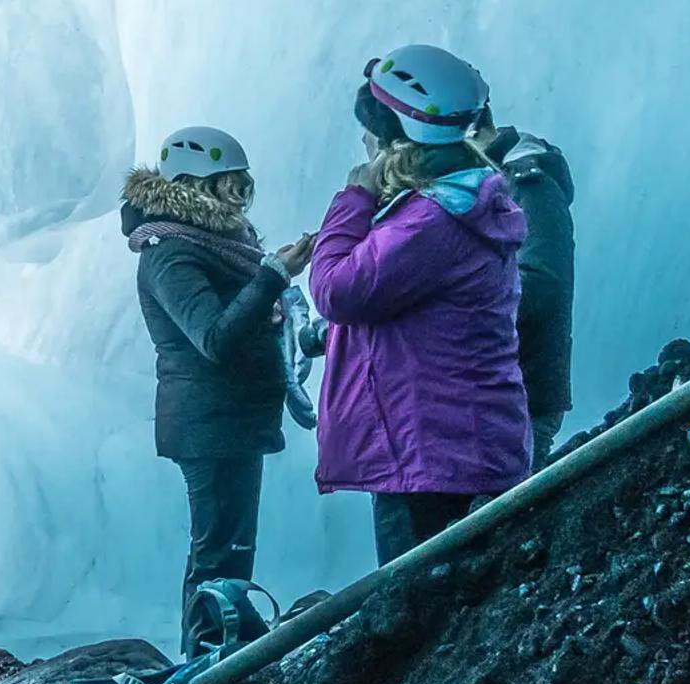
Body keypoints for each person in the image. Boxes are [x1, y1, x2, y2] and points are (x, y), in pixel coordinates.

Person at [302, 45, 532, 565]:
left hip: (428, 452)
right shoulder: (468, 200)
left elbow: (337, 290)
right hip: (457, 443)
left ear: (395, 141)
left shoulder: (430, 221)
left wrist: (354, 198)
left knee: (422, 610)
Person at [121, 125, 313, 651]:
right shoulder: (169, 252)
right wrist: (274, 274)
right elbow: (214, 339)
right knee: (218, 552)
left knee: (228, 547)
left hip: (230, 418)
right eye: (234, 186)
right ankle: (204, 661)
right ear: (197, 185)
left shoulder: (211, 243)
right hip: (209, 423)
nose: (241, 199)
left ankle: (218, 648)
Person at [489, 124, 576, 471]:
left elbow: (541, 289)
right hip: (495, 402)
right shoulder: (499, 186)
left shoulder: (528, 183)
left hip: (518, 403)